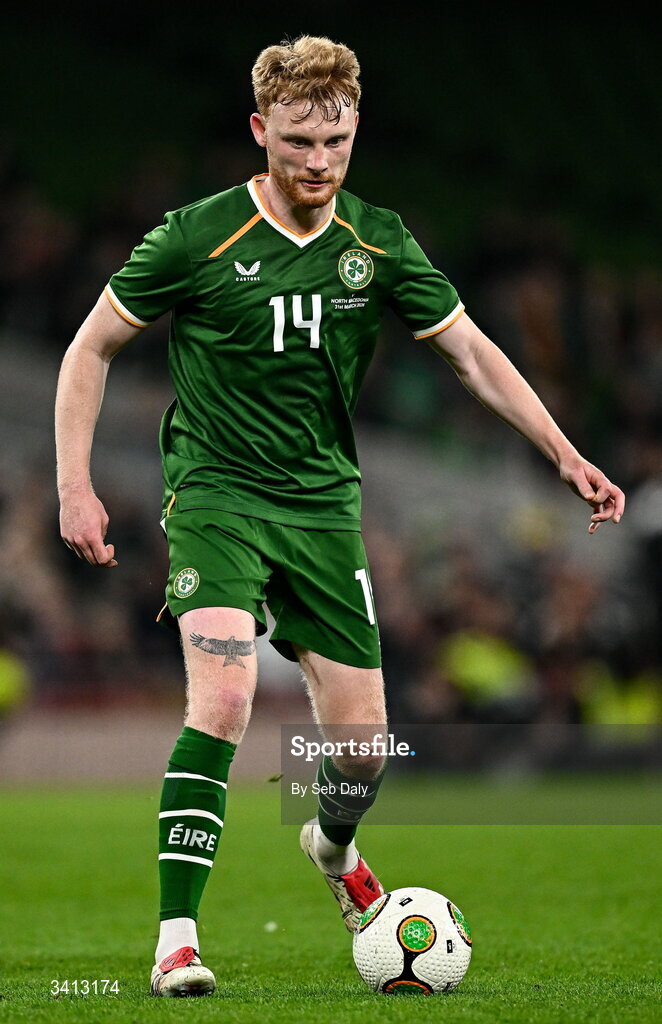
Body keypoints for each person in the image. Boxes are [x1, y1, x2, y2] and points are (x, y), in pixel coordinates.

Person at [54, 35, 625, 997]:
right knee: (226, 701)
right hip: (218, 495)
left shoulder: (378, 240)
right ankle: (177, 940)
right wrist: (75, 483)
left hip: (322, 508)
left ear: (356, 134)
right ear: (258, 132)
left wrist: (564, 452)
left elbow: (473, 353)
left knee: (362, 747)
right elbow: (88, 350)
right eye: (298, 142)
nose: (319, 162)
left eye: (337, 141)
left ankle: (329, 843)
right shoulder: (196, 236)